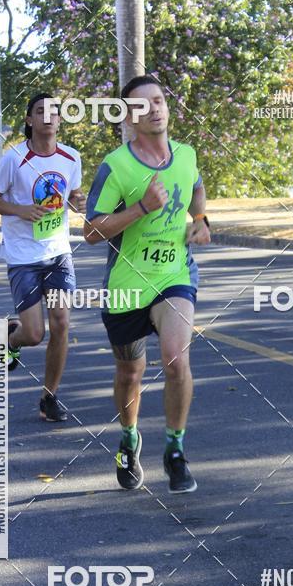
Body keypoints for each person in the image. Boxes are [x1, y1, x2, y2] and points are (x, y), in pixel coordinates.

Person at [84, 75, 211, 493]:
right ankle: (129, 437)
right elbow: (91, 231)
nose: (154, 109)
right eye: (142, 106)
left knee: (176, 358)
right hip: (126, 286)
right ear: (129, 118)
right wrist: (141, 208)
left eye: (158, 100)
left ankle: (175, 451)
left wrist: (201, 220)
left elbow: (195, 189)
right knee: (130, 373)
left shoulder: (187, 154)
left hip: (175, 275)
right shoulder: (115, 166)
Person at [0, 93, 86, 422]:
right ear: (29, 120)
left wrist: (79, 202)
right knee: (34, 334)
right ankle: (11, 335)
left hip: (58, 253)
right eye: (40, 111)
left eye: (54, 111)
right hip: (23, 256)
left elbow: (72, 193)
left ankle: (49, 397)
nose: (48, 116)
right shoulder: (15, 158)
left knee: (61, 323)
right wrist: (20, 210)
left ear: (60, 120)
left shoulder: (71, 157)